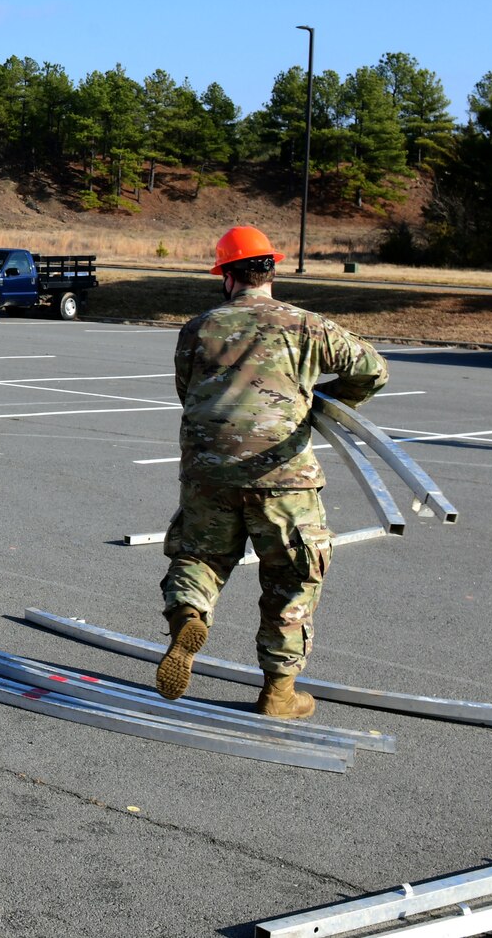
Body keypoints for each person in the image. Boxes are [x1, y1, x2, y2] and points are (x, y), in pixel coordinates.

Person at [154, 226, 388, 719]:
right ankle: (278, 694)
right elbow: (372, 369)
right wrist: (321, 404)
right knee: (291, 577)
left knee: (200, 557)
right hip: (283, 475)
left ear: (226, 276)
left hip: (209, 471)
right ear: (271, 271)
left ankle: (188, 616)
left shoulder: (197, 328)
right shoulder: (305, 325)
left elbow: (188, 391)